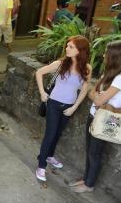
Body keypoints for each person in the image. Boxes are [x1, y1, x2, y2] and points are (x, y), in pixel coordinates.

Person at [69, 41, 121, 193]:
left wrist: (97, 96)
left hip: (106, 120)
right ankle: (86, 178)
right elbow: (93, 92)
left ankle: (89, 184)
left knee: (95, 153)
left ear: (115, 56)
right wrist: (96, 95)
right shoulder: (109, 73)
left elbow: (97, 98)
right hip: (94, 116)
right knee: (90, 150)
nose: (104, 55)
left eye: (106, 53)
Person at [35, 35, 92, 182]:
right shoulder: (60, 64)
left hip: (69, 106)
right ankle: (41, 165)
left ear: (81, 50)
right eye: (67, 46)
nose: (67, 48)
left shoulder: (86, 68)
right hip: (53, 104)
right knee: (50, 134)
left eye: (71, 47)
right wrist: (42, 92)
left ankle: (49, 156)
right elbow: (39, 72)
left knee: (58, 133)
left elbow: (85, 89)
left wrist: (74, 107)